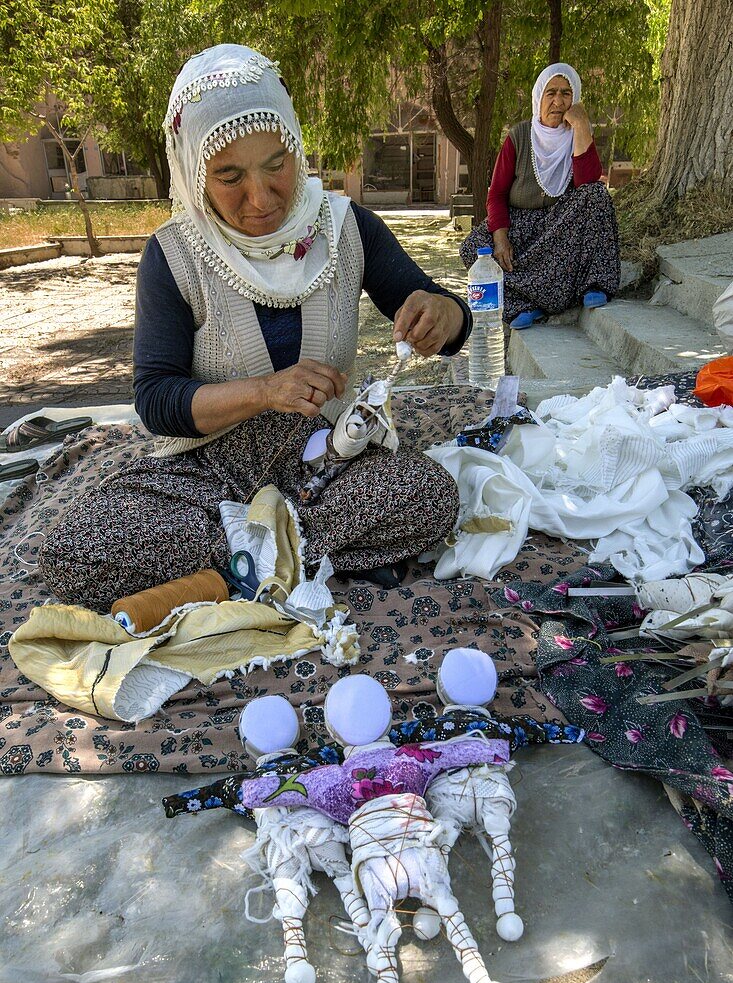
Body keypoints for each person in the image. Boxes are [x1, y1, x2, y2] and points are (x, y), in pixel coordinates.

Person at [39, 44, 469, 612]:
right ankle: (285, 551)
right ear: (195, 171)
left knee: (431, 494)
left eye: (276, 166)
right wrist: (266, 392)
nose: (261, 198)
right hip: (206, 473)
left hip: (326, 460)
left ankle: (250, 560)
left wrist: (444, 313)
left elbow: (447, 319)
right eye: (229, 176)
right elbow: (157, 399)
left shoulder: (345, 229)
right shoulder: (175, 255)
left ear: (294, 145)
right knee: (73, 547)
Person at [460, 63, 620, 329]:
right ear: (539, 98)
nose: (558, 101)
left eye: (566, 93)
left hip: (561, 225)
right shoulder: (519, 136)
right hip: (520, 225)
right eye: (551, 93)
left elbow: (587, 182)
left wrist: (581, 125)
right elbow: (496, 194)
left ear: (575, 98)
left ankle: (594, 284)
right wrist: (500, 238)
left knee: (596, 194)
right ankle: (524, 304)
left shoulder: (577, 133)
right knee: (472, 248)